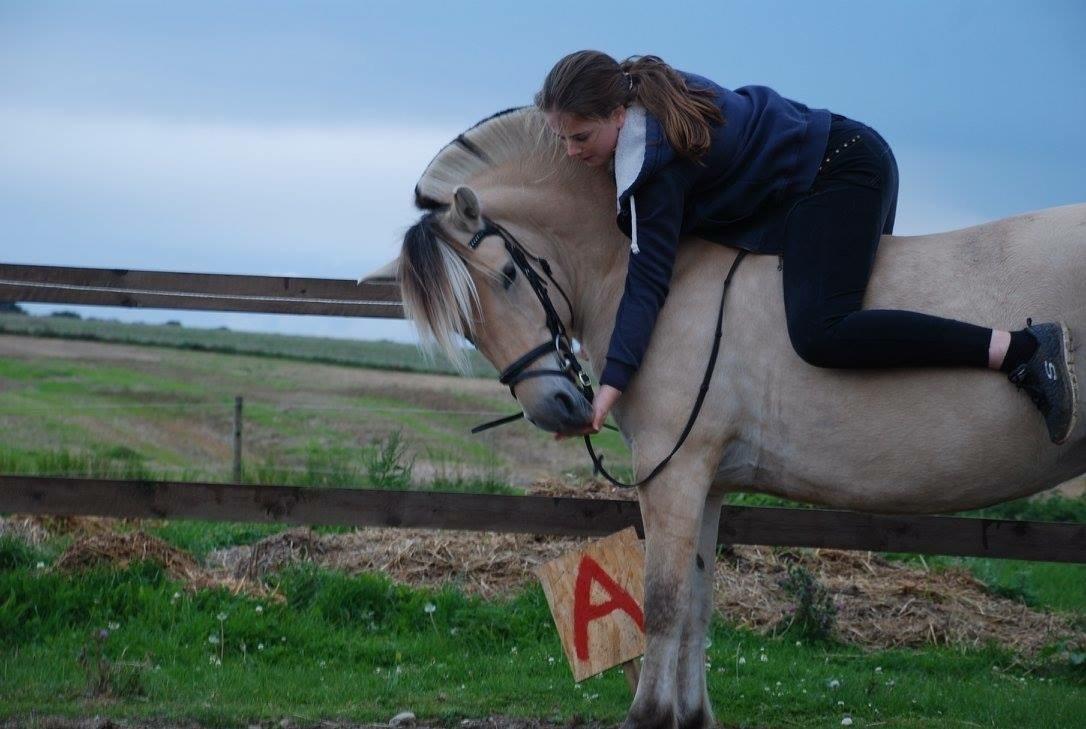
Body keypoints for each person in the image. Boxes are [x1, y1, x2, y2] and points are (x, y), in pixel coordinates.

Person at [536, 51, 1078, 444]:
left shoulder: (656, 166)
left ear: (618, 115)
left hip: (840, 172)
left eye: (580, 137)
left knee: (821, 332)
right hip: (834, 161)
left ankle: (1023, 351)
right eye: (562, 138)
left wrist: (609, 391)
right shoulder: (649, 96)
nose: (571, 151)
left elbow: (648, 278)